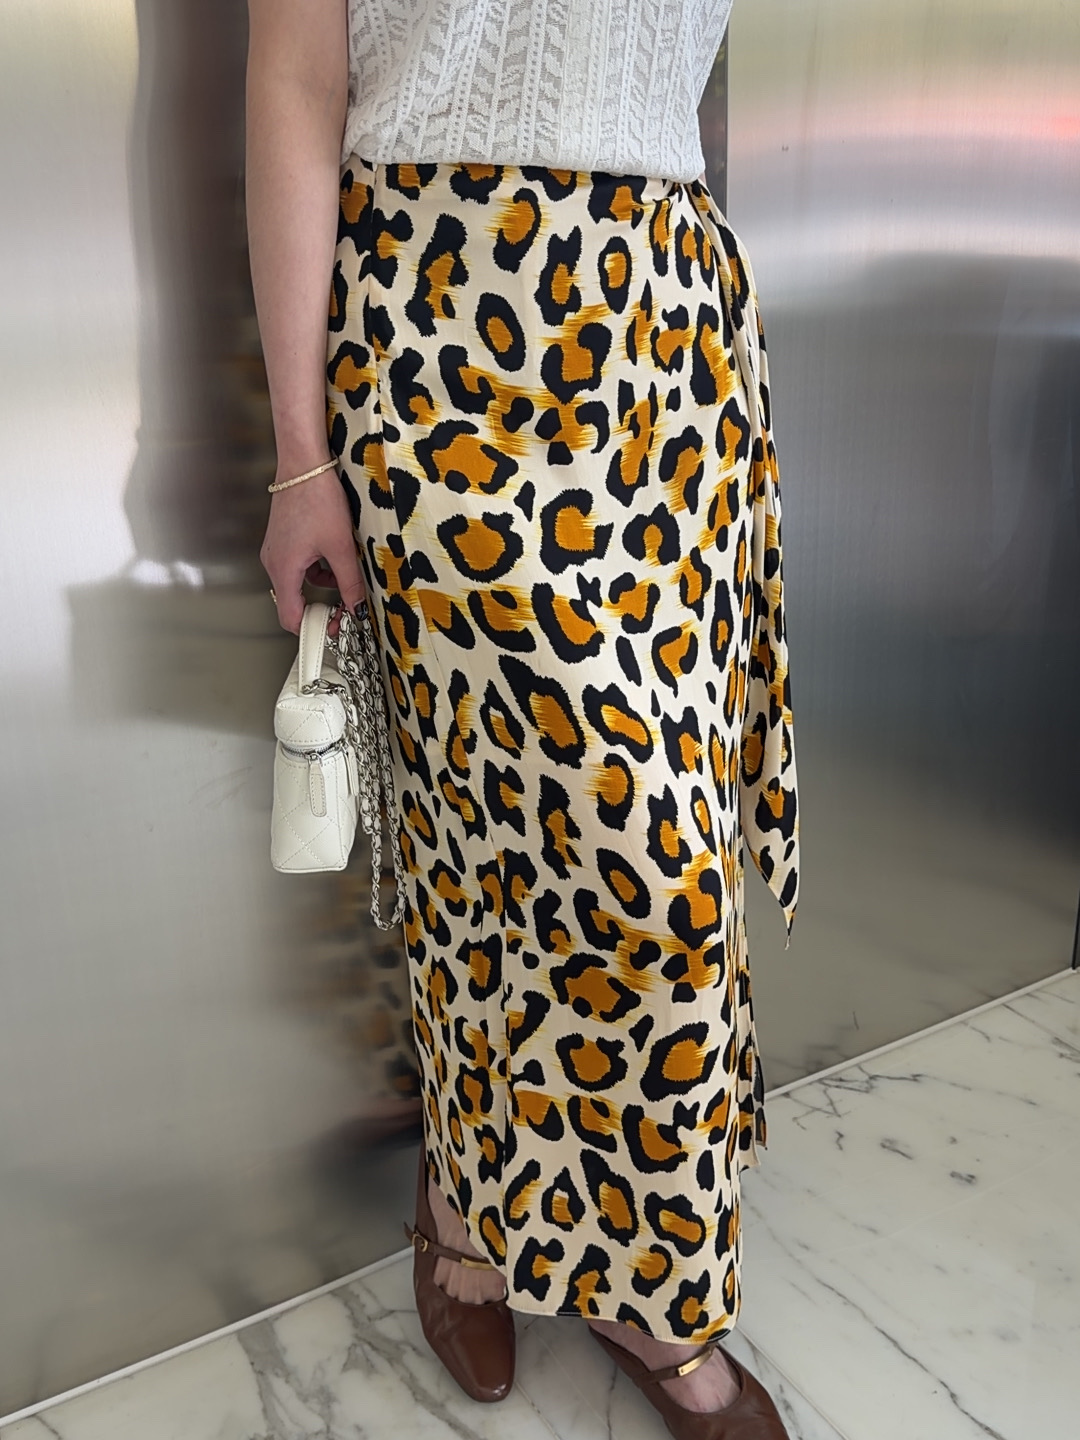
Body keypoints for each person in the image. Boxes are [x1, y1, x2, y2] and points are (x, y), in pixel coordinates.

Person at [246, 2, 799, 1434]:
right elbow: (297, 82)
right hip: (443, 330)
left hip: (664, 347)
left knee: (670, 857)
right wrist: (302, 458)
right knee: (493, 835)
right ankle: (474, 1213)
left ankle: (637, 1273)